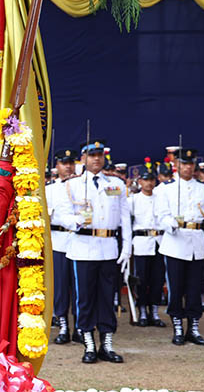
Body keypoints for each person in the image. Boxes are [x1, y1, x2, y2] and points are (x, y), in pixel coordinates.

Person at [51, 140, 130, 364]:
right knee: (84, 298)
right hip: (83, 247)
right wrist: (75, 220)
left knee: (107, 298)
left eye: (99, 155)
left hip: (108, 247)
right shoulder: (72, 185)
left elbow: (125, 218)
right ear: (82, 160)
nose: (96, 159)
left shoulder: (116, 184)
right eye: (91, 155)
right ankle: (88, 343)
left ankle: (106, 344)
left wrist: (127, 247)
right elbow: (60, 215)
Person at [155, 147, 204, 345]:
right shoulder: (164, 189)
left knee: (195, 288)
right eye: (183, 164)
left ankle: (193, 327)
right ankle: (178, 325)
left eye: (190, 164)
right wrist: (168, 222)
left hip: (197, 240)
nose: (187, 167)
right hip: (175, 242)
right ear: (175, 165)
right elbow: (160, 215)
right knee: (176, 287)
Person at [127, 162, 167, 327]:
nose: (149, 183)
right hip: (142, 241)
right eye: (145, 180)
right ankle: (142, 310)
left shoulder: (162, 199)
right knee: (141, 279)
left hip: (159, 241)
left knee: (157, 279)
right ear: (140, 181)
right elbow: (128, 225)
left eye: (151, 179)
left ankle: (155, 311)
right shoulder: (133, 200)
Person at [46, 148, 79, 344]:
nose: (67, 166)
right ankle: (63, 325)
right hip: (58, 240)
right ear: (56, 166)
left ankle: (80, 326)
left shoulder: (82, 186)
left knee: (79, 287)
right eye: (63, 163)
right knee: (60, 287)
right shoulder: (50, 189)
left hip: (79, 241)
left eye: (70, 163)